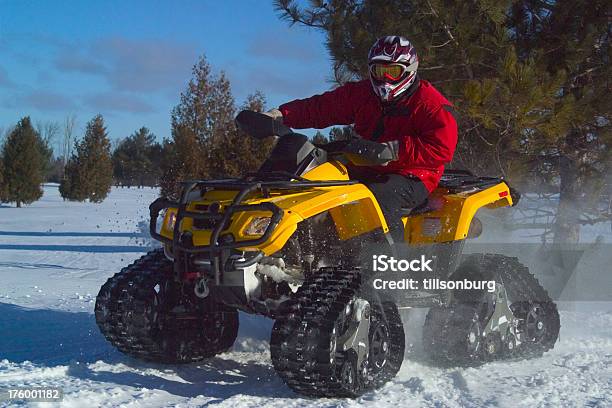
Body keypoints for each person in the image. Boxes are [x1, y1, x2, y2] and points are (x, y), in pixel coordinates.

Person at [266, 36, 458, 243]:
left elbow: (441, 147)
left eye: (393, 72)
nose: (385, 79)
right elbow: (322, 107)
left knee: (378, 197)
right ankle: (299, 245)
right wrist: (281, 115)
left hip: (413, 174)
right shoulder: (362, 94)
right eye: (378, 71)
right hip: (366, 164)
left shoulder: (430, 104)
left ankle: (392, 266)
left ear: (409, 70)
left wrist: (394, 151)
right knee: (316, 182)